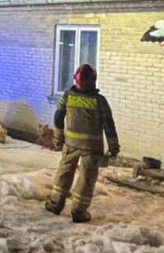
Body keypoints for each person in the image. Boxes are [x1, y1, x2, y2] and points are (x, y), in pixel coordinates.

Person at [45, 64, 119, 223]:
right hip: (91, 149)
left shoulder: (67, 96)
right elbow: (109, 125)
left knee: (64, 173)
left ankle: (55, 203)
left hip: (70, 145)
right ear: (93, 81)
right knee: (86, 179)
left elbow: (58, 118)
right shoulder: (100, 101)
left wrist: (58, 138)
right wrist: (114, 147)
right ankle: (79, 211)